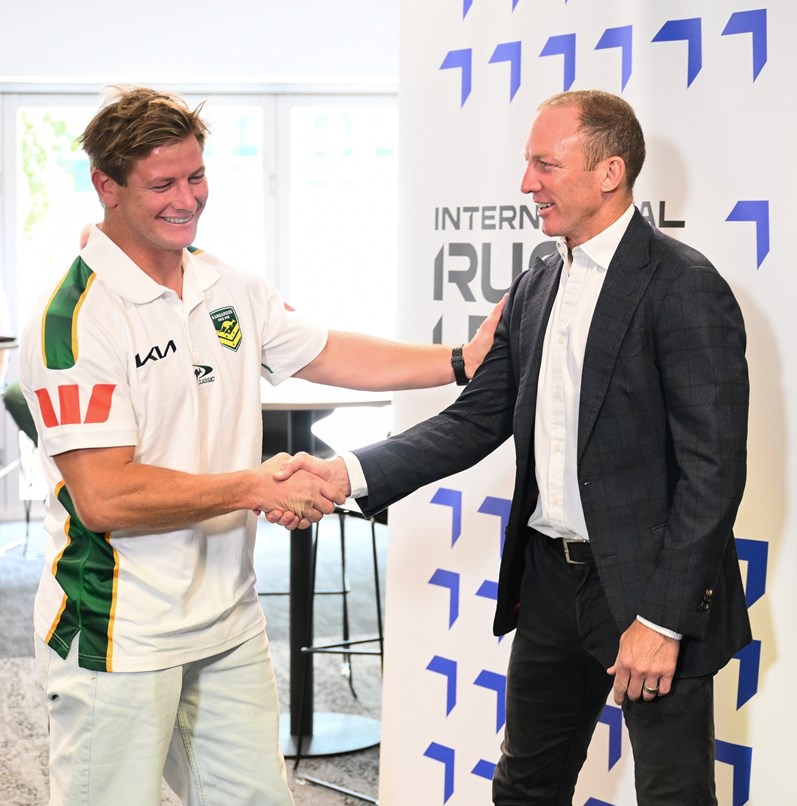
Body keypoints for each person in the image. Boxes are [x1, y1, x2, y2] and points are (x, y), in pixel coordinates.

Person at [17, 86, 502, 806]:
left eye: (197, 176)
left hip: (227, 620)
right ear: (106, 186)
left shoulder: (225, 283)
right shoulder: (76, 321)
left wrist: (461, 360)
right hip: (119, 631)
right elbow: (105, 496)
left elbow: (328, 351)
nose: (188, 198)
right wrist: (254, 486)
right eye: (163, 184)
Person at [278, 89, 751, 805]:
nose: (526, 183)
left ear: (609, 172)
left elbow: (712, 474)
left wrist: (660, 620)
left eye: (544, 164)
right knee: (525, 790)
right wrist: (347, 472)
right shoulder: (535, 285)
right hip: (552, 586)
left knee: (673, 796)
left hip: (650, 593)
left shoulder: (684, 287)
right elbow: (474, 420)